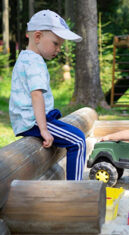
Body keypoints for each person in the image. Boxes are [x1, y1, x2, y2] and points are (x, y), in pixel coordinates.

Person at [9, 10, 85, 180]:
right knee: (78, 141)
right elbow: (36, 95)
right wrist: (44, 129)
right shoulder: (34, 62)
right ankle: (77, 189)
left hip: (29, 120)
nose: (58, 49)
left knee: (70, 134)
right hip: (34, 122)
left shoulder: (25, 58)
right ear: (37, 37)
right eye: (56, 44)